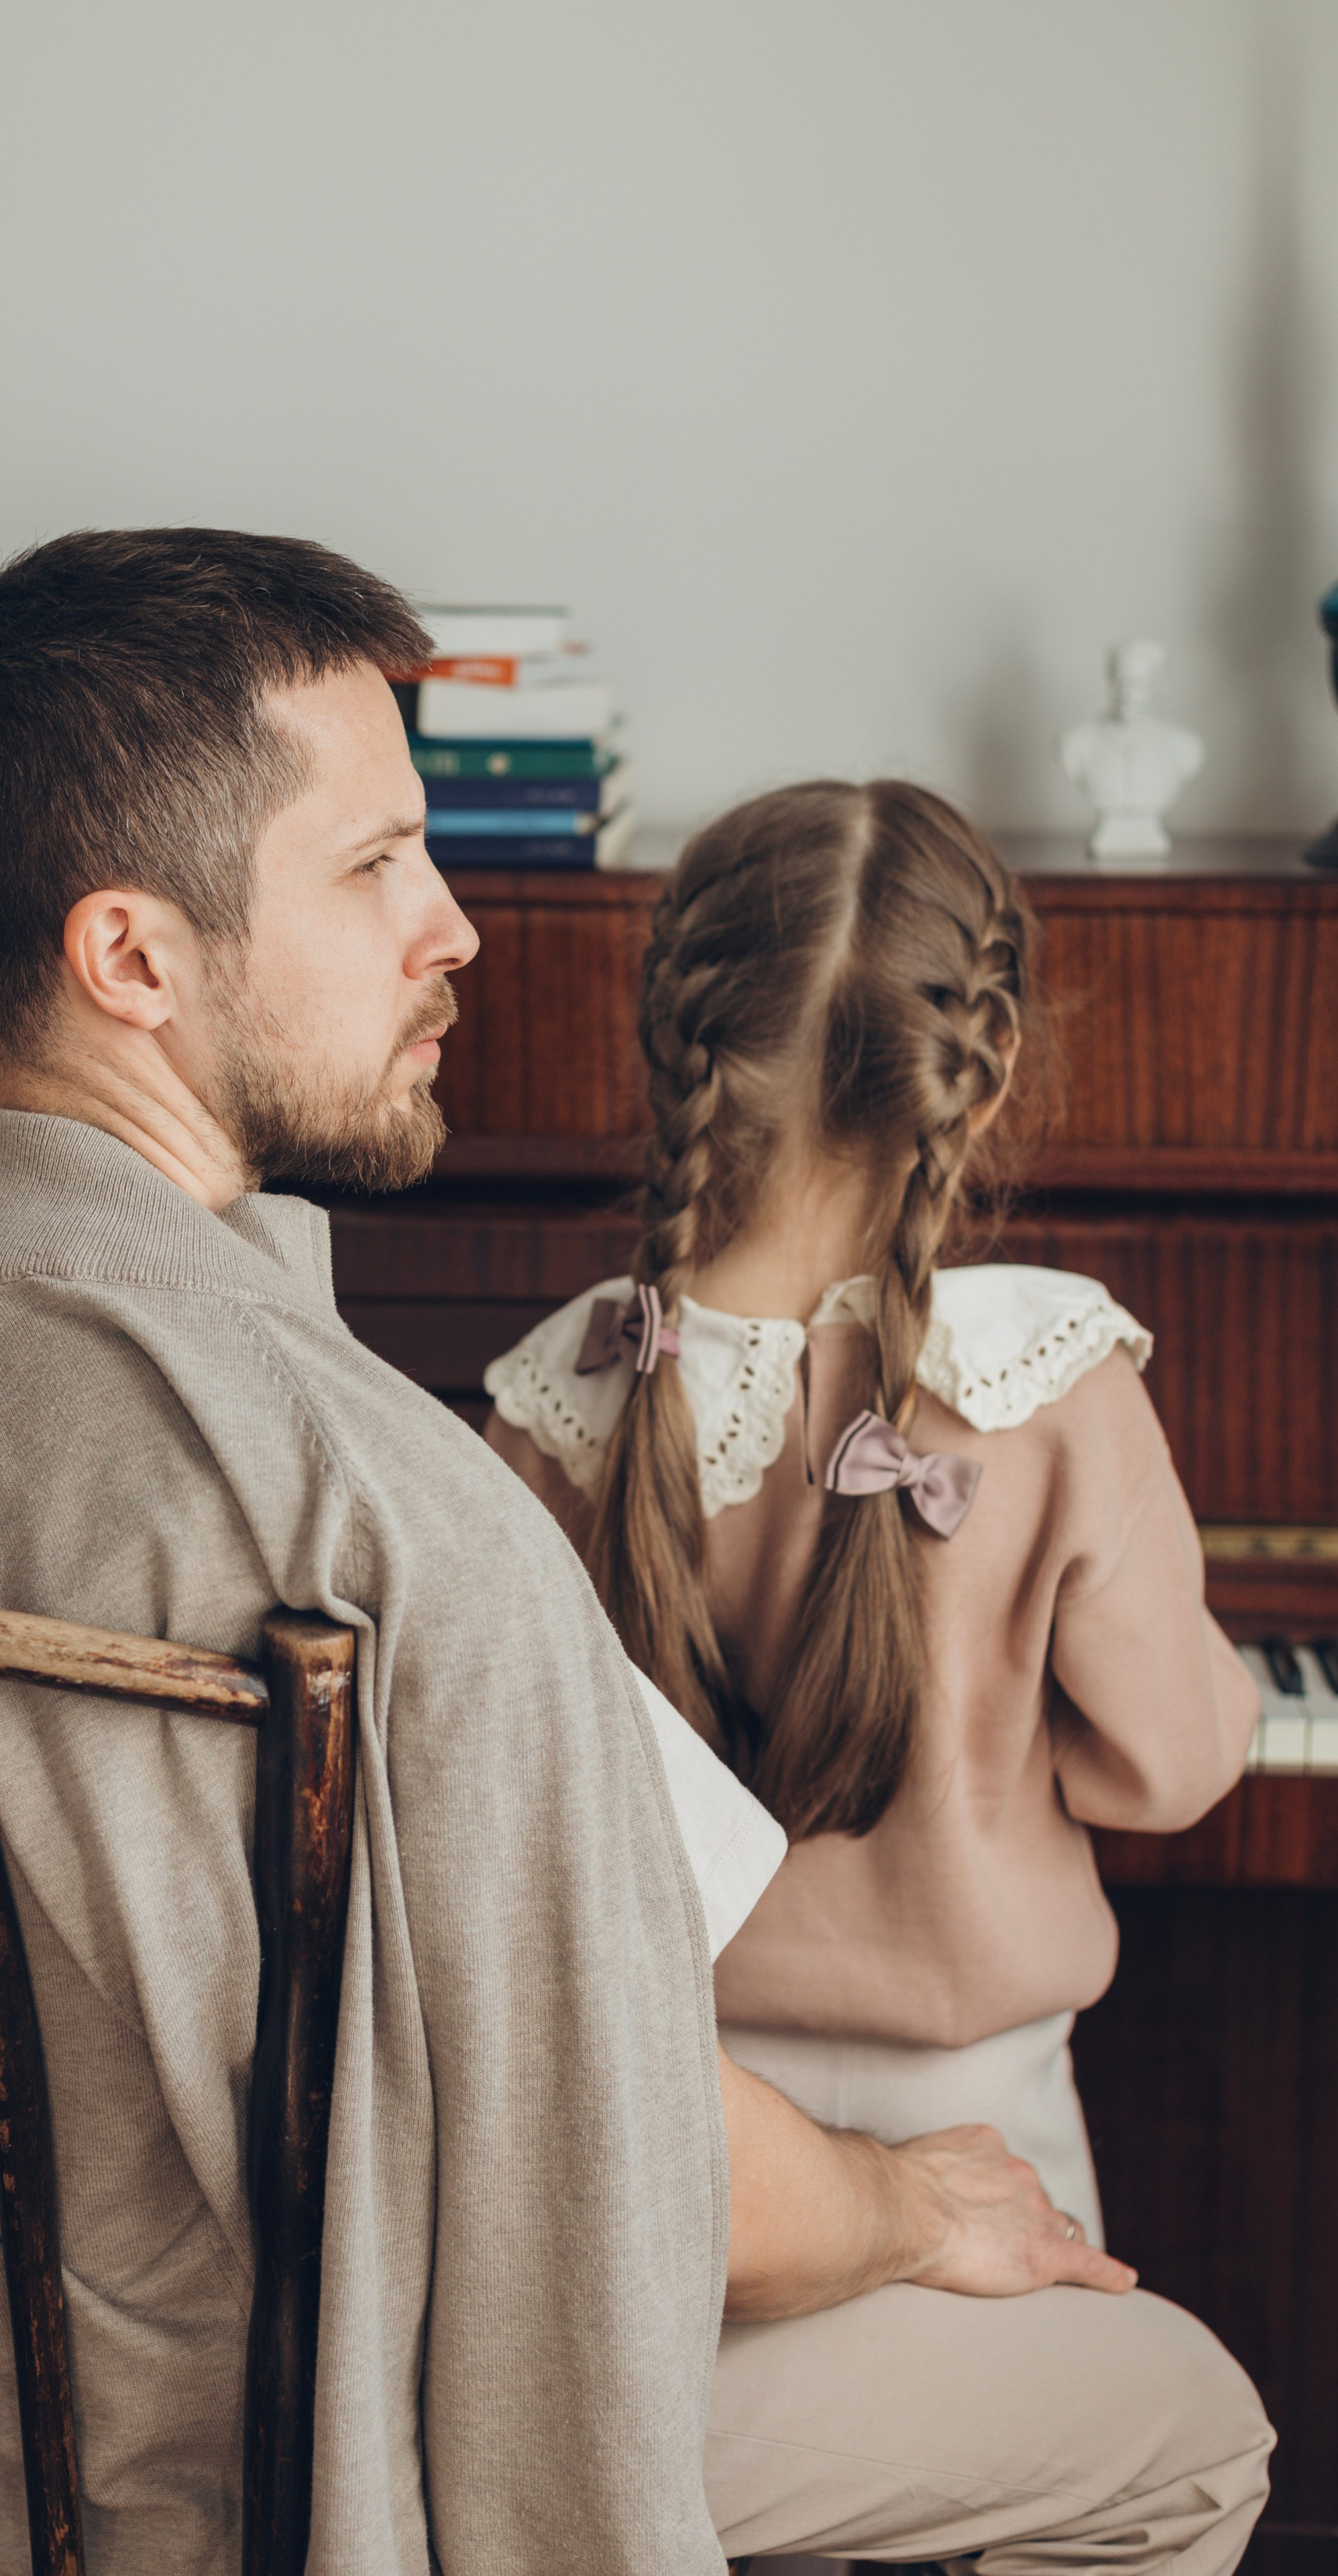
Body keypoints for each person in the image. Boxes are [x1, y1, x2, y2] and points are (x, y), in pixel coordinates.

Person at [0, 539, 1268, 2576]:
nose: (463, 928)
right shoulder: (389, 1513)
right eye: (377, 863)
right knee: (1185, 2417)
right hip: (298, 2449)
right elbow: (626, 2158)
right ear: (133, 955)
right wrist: (912, 2202)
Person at [485, 777, 1260, 2257]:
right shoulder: (1049, 1380)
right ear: (984, 1062)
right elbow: (1168, 1767)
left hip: (682, 2140)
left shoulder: (564, 1389)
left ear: (679, 1047)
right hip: (988, 2127)